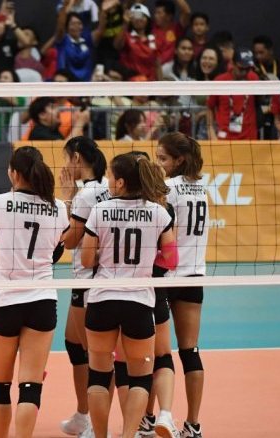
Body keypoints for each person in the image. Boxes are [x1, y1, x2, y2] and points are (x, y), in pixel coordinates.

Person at [0, 146, 69, 438]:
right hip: (41, 301)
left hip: (4, 301)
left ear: (14, 173)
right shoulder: (59, 207)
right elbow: (55, 253)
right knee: (30, 385)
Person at [80, 152, 177, 438]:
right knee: (140, 378)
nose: (108, 180)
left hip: (102, 300)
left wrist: (105, 258)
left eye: (110, 176)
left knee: (98, 376)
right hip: (138, 302)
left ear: (121, 182)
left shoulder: (100, 210)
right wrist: (145, 262)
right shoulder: (159, 212)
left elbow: (86, 260)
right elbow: (171, 261)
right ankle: (128, 435)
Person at [155, 132, 208, 438]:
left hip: (166, 276)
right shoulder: (202, 187)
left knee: (154, 354)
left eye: (162, 158)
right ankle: (194, 424)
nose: (158, 163)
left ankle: (150, 417)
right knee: (191, 351)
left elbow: (167, 235)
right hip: (194, 275)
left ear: (179, 160)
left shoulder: (169, 188)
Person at [57, 136, 109, 437]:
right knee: (75, 345)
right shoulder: (105, 185)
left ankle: (94, 422)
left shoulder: (86, 194)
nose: (65, 166)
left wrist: (66, 197)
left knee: (94, 355)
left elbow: (70, 240)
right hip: (94, 277)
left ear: (77, 158)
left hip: (89, 279)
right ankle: (83, 413)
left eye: (67, 159)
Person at [206, 48, 259, 140]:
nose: (245, 72)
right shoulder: (220, 81)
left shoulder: (254, 78)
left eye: (248, 69)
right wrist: (210, 130)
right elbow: (209, 107)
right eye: (241, 68)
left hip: (249, 138)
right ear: (233, 64)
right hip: (224, 138)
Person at [53, 0, 96, 82]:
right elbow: (60, 25)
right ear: (67, 27)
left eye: (79, 23)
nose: (77, 26)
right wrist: (65, 7)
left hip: (85, 85)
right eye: (73, 24)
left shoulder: (87, 40)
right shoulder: (63, 40)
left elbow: (100, 30)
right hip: (66, 84)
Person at [115, 3, 159, 80]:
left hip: (150, 85)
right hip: (132, 84)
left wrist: (161, 87)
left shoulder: (153, 38)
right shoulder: (127, 37)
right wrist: (125, 23)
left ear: (147, 19)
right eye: (135, 16)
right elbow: (117, 46)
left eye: (142, 16)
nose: (138, 19)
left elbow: (157, 64)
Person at [152, 0, 191, 64]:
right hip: (151, 68)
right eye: (155, 13)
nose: (155, 16)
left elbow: (187, 11)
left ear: (169, 16)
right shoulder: (150, 27)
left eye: (159, 13)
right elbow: (136, 6)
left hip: (170, 70)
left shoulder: (177, 29)